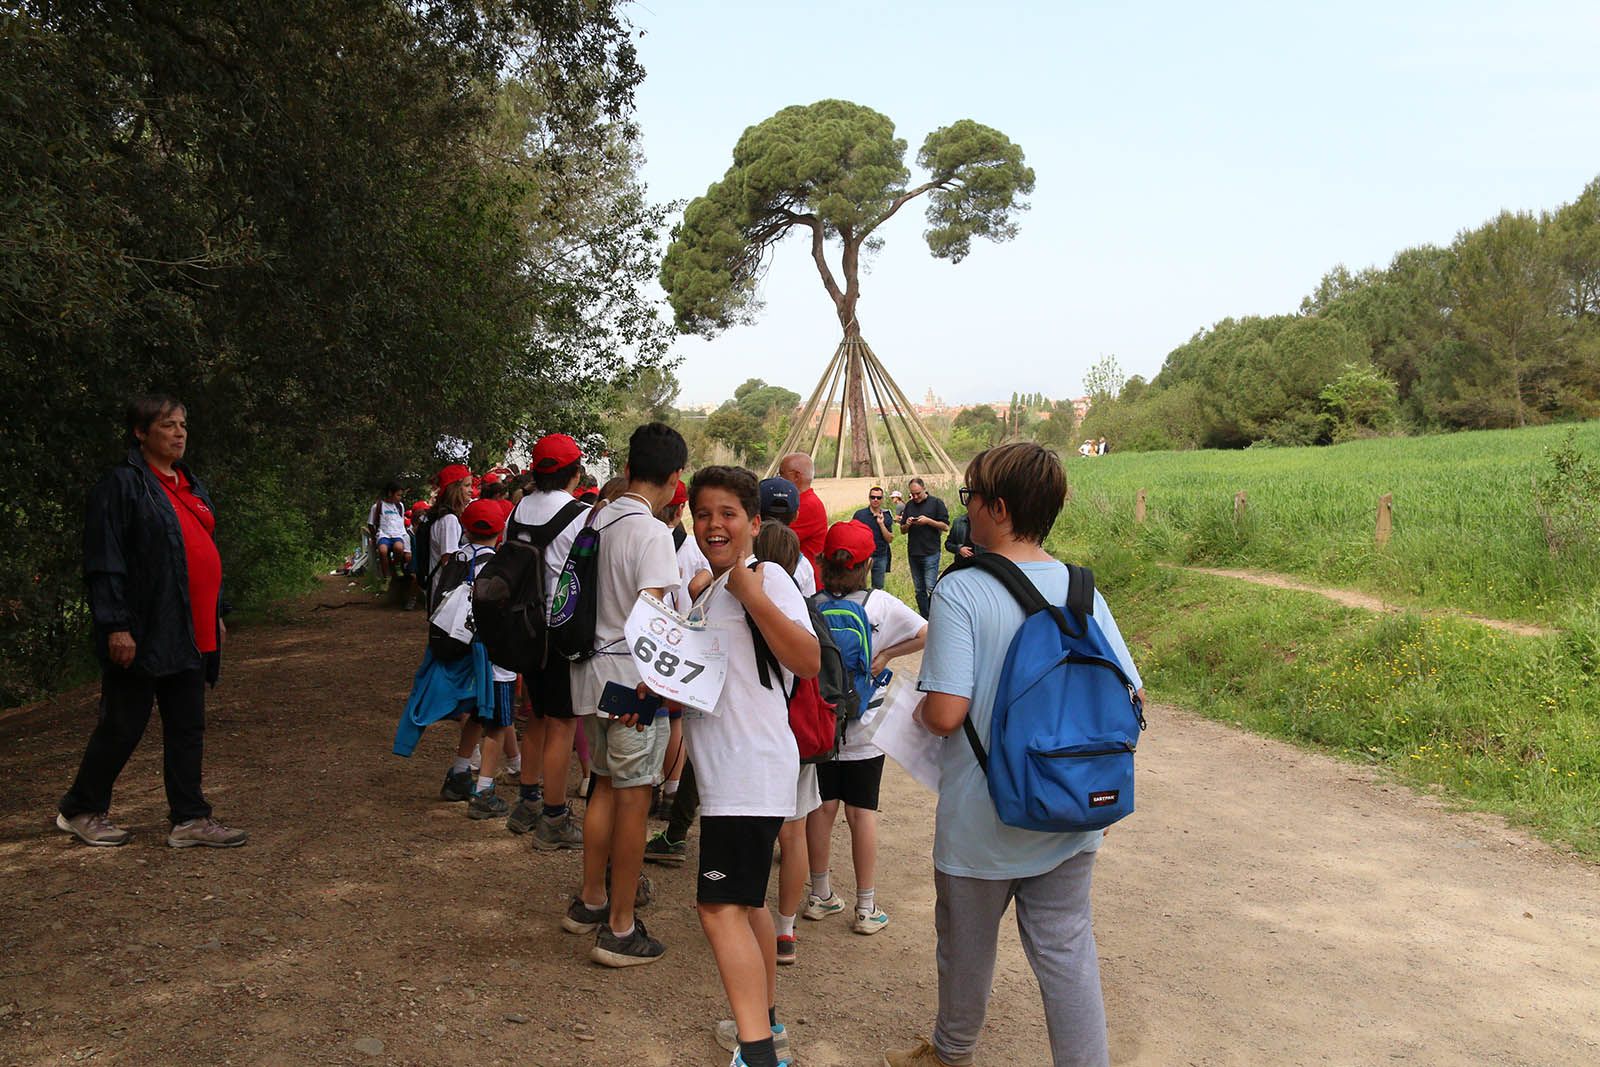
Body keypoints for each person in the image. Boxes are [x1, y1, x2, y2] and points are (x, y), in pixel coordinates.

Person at [884, 442, 1144, 1067]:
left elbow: (945, 713)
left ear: (997, 509)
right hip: (1068, 806)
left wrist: (909, 710)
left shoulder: (963, 590)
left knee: (966, 949)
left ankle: (950, 1055)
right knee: (1066, 951)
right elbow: (1133, 694)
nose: (965, 508)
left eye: (971, 496)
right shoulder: (1081, 588)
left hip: (983, 816)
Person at [57, 395, 247, 849]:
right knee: (123, 724)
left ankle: (190, 818)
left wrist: (217, 612)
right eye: (167, 425)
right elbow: (106, 561)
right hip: (144, 630)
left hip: (190, 630)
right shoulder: (121, 486)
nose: (179, 433)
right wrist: (116, 626)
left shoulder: (190, 484)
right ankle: (80, 809)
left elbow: (199, 551)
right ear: (141, 433)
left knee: (187, 727)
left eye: (182, 424)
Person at [683, 465, 819, 1067]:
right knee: (749, 904)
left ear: (754, 523)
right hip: (734, 769)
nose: (715, 524)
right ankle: (765, 1025)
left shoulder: (767, 578)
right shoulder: (710, 588)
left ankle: (758, 1053)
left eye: (728, 514)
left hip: (747, 768)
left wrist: (754, 594)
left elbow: (809, 660)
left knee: (718, 908)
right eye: (704, 513)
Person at [564, 422, 687, 968]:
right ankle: (620, 926)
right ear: (676, 477)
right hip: (632, 681)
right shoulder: (653, 532)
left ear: (629, 465)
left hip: (588, 674)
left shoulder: (599, 516)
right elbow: (652, 612)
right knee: (636, 799)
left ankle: (590, 900)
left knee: (604, 788)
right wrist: (656, 684)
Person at [803, 520, 926, 940]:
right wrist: (887, 652)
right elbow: (928, 631)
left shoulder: (809, 604)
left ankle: (820, 895)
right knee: (862, 814)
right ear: (868, 562)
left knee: (821, 809)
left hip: (820, 726)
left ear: (822, 560)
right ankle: (866, 906)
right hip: (864, 729)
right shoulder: (882, 605)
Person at [503, 433, 592, 847]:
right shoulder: (579, 514)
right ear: (575, 472)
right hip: (558, 629)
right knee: (561, 723)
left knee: (538, 715)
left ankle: (528, 800)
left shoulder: (519, 509)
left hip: (525, 627)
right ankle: (554, 818)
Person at [897, 478, 949, 618]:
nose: (915, 497)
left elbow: (945, 526)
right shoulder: (909, 505)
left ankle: (936, 617)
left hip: (930, 551)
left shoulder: (936, 503)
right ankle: (924, 617)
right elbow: (902, 530)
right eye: (912, 494)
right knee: (919, 589)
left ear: (924, 489)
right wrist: (907, 524)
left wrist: (928, 521)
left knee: (930, 587)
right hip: (913, 552)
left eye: (917, 493)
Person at [777, 452, 827, 566]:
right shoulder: (803, 501)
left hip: (802, 579)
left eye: (781, 474)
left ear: (796, 476)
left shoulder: (808, 505)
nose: (779, 479)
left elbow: (774, 539)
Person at [852, 485, 897, 590]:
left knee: (877, 589)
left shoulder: (886, 515)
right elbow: (852, 535)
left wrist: (881, 524)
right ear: (869, 498)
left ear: (882, 499)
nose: (875, 500)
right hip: (863, 556)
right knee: (858, 586)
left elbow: (889, 539)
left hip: (880, 555)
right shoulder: (860, 515)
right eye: (873, 497)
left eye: (878, 498)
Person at [367, 482, 412, 582]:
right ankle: (386, 576)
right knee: (382, 551)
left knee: (399, 548)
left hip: (397, 534)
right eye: (398, 495)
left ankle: (396, 565)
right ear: (390, 493)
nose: (400, 497)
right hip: (383, 534)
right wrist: (374, 537)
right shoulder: (378, 506)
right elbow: (370, 524)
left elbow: (401, 523)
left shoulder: (400, 506)